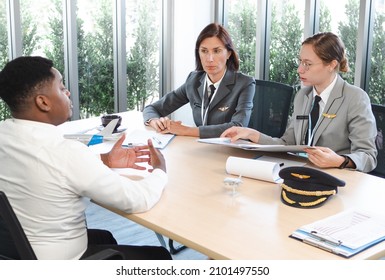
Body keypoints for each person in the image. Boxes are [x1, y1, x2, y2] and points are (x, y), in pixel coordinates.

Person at [0, 56, 172, 260]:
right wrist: (160, 169)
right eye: (62, 87)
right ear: (43, 102)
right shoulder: (65, 152)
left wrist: (105, 161)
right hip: (58, 261)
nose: (68, 92)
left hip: (16, 252)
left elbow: (49, 172)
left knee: (105, 237)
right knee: (159, 256)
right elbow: (137, 200)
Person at [221, 32, 377, 173]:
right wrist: (252, 134)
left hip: (336, 177)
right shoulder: (303, 96)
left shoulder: (355, 98)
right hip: (302, 172)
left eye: (307, 64)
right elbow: (288, 143)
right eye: (300, 62)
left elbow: (368, 156)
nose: (299, 70)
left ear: (331, 65)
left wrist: (340, 161)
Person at [143, 23, 255, 138]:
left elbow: (238, 127)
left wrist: (186, 130)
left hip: (231, 150)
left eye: (217, 51)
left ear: (229, 54)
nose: (209, 59)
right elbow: (152, 108)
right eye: (204, 51)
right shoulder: (194, 80)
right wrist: (155, 121)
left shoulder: (245, 84)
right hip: (201, 148)